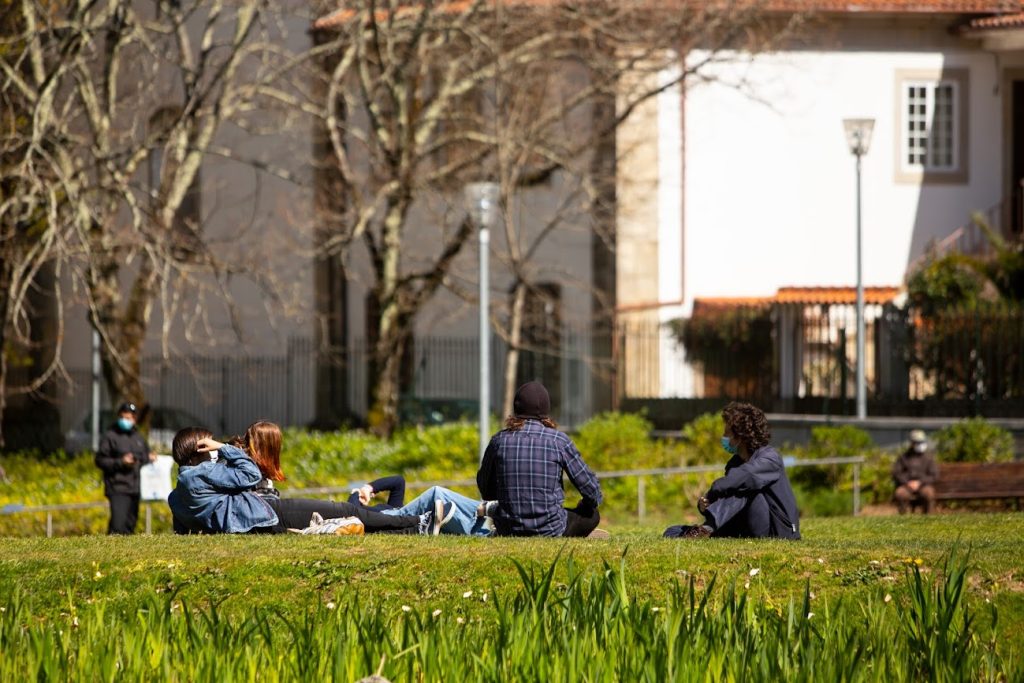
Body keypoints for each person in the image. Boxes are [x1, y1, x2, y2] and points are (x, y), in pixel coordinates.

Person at [232, 421, 449, 535]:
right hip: (381, 516)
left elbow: (398, 481)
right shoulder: (245, 465)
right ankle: (421, 522)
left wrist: (365, 490)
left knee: (361, 521)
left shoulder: (388, 509)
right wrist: (363, 491)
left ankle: (420, 525)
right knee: (355, 515)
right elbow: (397, 482)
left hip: (384, 517)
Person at [477, 381, 603, 537]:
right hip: (551, 529)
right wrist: (585, 505)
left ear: (516, 408)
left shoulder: (498, 440)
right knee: (592, 514)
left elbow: (485, 489)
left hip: (508, 528)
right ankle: (575, 532)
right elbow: (591, 491)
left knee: (501, 510)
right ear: (546, 409)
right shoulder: (559, 441)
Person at [664, 402, 800, 540]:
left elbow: (747, 476)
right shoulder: (735, 463)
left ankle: (707, 528)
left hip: (778, 531)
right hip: (749, 525)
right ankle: (702, 530)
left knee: (745, 485)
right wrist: (704, 505)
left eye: (726, 433)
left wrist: (713, 492)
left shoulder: (770, 457)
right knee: (673, 531)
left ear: (740, 437)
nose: (723, 437)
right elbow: (729, 500)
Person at [94, 402, 155, 535]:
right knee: (118, 525)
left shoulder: (138, 437)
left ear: (134, 419)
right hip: (118, 487)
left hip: (135, 488)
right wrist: (121, 462)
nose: (125, 421)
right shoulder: (110, 436)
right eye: (123, 417)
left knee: (130, 525)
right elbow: (100, 460)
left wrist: (149, 457)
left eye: (129, 418)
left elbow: (143, 456)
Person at [892, 429, 938, 514]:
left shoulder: (928, 458)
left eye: (922, 442)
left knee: (929, 493)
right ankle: (902, 518)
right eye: (918, 442)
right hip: (906, 485)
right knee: (900, 494)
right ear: (912, 443)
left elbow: (934, 475)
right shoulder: (903, 457)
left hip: (923, 485)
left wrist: (920, 482)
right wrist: (908, 482)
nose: (920, 444)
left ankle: (928, 517)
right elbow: (897, 473)